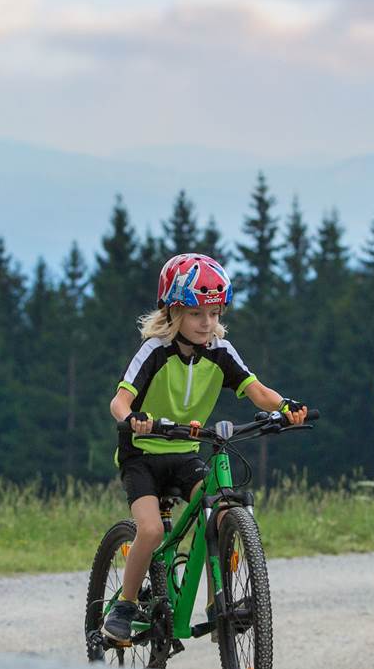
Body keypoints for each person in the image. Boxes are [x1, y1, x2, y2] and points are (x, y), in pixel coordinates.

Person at [102, 252, 309, 646]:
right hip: (142, 454)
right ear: (173, 311)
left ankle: (222, 601)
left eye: (215, 314)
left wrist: (284, 408)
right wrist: (132, 418)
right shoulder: (155, 351)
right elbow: (119, 400)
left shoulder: (220, 350)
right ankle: (126, 605)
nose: (208, 324)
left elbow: (257, 391)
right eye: (198, 314)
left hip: (184, 453)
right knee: (148, 530)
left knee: (219, 511)